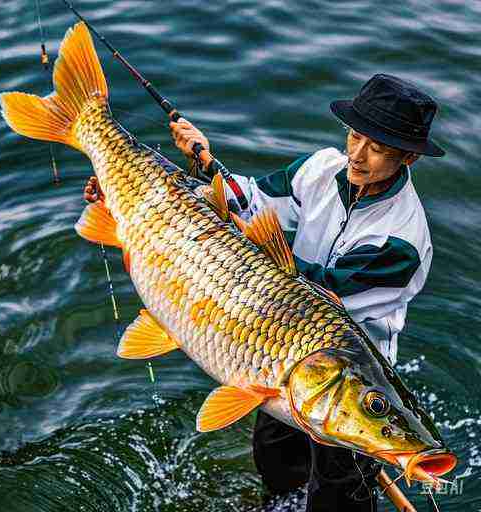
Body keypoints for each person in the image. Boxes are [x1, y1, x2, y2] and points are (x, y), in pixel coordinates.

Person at [168, 74, 445, 511]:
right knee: (274, 457)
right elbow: (258, 200)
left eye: (377, 148)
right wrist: (208, 166)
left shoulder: (401, 241)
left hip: (351, 370)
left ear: (408, 157)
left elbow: (315, 293)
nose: (356, 154)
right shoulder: (321, 168)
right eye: (355, 136)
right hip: (277, 345)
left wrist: (241, 238)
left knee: (340, 492)